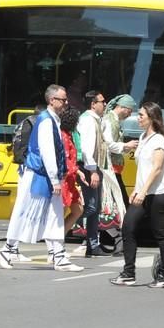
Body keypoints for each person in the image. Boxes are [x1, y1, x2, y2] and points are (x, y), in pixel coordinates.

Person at [0, 84, 83, 272]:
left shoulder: (52, 120)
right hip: (39, 176)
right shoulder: (46, 121)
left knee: (54, 216)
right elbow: (48, 152)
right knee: (26, 212)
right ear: (52, 100)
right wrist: (55, 180)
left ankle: (58, 256)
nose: (66, 102)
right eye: (63, 99)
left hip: (44, 176)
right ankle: (8, 249)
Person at [110, 102, 164, 287]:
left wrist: (143, 191)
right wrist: (136, 190)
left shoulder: (159, 140)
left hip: (156, 194)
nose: (138, 118)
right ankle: (129, 272)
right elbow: (143, 170)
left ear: (152, 118)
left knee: (160, 234)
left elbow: (157, 168)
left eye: (141, 115)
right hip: (142, 193)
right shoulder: (144, 137)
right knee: (128, 227)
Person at [76, 90, 111, 256]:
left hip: (92, 167)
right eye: (102, 101)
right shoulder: (88, 121)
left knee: (94, 207)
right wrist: (93, 171)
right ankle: (61, 227)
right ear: (92, 104)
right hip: (88, 168)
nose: (104, 104)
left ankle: (93, 244)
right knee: (90, 207)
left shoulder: (95, 120)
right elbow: (86, 149)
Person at [102, 94, 138, 211]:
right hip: (110, 169)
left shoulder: (115, 121)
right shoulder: (109, 120)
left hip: (114, 169)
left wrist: (126, 148)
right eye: (130, 111)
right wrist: (126, 145)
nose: (129, 114)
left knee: (117, 202)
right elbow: (108, 143)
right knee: (122, 202)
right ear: (123, 108)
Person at [60, 106, 86, 257]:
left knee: (78, 210)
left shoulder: (69, 135)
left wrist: (77, 171)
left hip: (70, 179)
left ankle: (58, 242)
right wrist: (76, 171)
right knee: (61, 214)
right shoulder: (64, 136)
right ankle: (56, 248)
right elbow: (65, 160)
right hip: (64, 180)